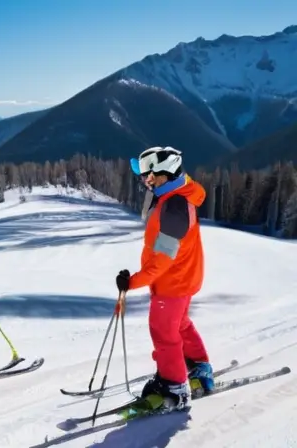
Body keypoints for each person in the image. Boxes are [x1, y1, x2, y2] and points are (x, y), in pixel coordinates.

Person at [116, 146, 214, 411]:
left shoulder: (174, 208)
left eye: (150, 176)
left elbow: (162, 259)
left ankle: (175, 386)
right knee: (180, 324)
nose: (146, 181)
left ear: (166, 174)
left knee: (164, 331)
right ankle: (199, 368)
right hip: (183, 277)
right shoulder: (178, 194)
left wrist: (133, 282)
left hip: (173, 282)